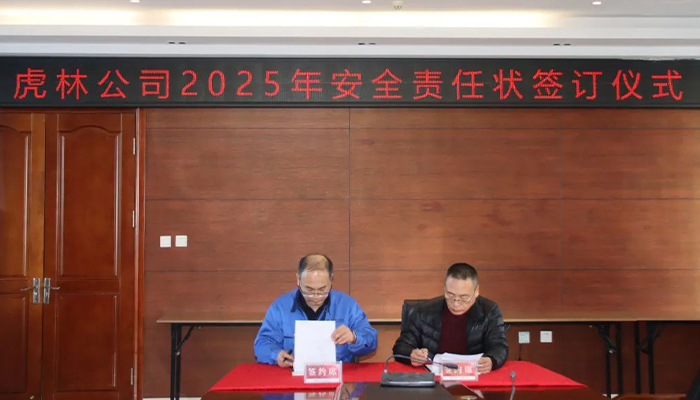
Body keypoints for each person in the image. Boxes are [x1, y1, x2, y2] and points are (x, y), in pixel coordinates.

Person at [254, 253, 378, 367]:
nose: (315, 296)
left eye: (322, 290)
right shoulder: (280, 307)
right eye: (309, 290)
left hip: (338, 376)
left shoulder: (347, 305)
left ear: (331, 280)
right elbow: (261, 344)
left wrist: (354, 337)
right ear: (298, 280)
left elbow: (371, 340)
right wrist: (276, 355)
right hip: (294, 375)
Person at [392, 263, 508, 374]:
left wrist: (492, 360)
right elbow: (401, 346)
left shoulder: (489, 311)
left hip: (474, 376)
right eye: (450, 295)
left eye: (464, 297)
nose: (456, 303)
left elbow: (499, 346)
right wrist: (411, 354)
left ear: (476, 291)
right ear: (444, 289)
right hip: (435, 378)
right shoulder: (423, 312)